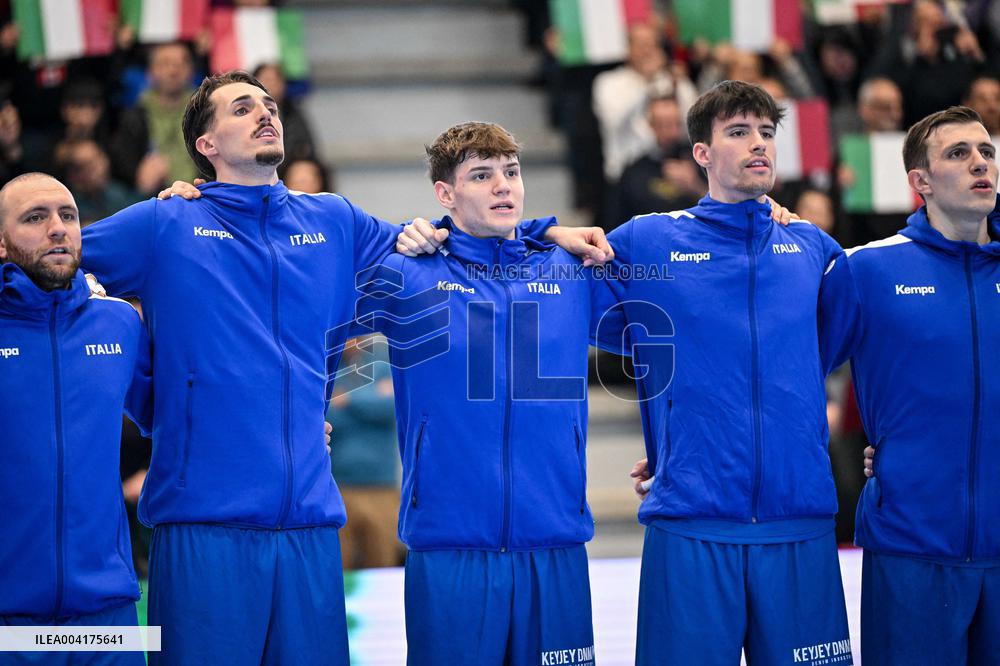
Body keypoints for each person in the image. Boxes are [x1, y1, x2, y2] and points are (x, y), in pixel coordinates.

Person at [82, 71, 611, 665]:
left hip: (310, 521)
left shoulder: (333, 221)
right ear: (206, 145)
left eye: (268, 104)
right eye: (241, 108)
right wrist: (151, 398)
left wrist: (544, 232)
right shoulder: (165, 224)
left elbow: (458, 239)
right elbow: (53, 265)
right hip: (203, 520)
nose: (264, 114)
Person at [343, 121, 627, 664]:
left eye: (511, 172)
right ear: (445, 195)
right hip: (449, 545)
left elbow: (684, 317)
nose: (503, 186)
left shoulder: (572, 269)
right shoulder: (409, 273)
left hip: (555, 541)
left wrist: (765, 211)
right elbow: (308, 299)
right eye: (481, 175)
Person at [622, 80, 855, 665]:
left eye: (767, 133)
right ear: (701, 152)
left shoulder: (813, 249)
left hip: (798, 521)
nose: (759, 145)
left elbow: (823, 352)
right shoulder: (651, 241)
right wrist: (547, 229)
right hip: (692, 519)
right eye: (738, 132)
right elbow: (553, 281)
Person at [835, 106, 1000, 665]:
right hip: (911, 546)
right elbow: (783, 373)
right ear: (920, 182)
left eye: (986, 152)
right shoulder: (867, 270)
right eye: (958, 153)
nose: (980, 163)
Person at [0, 172, 152, 665]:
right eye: (35, 218)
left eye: (68, 215)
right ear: (1, 243)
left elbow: (179, 415)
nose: (58, 228)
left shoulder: (121, 322)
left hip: (108, 615)